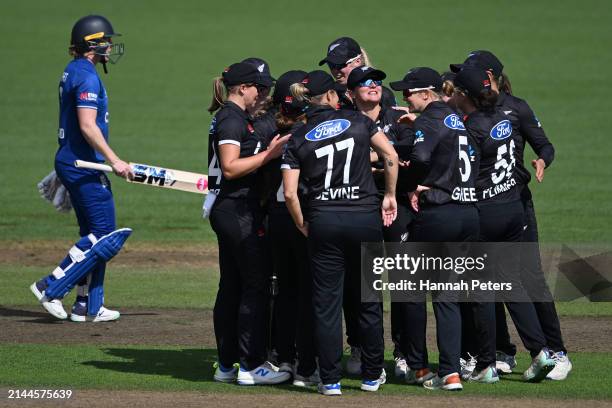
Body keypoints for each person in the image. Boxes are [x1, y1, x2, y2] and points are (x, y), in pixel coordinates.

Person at [451, 50, 569, 380]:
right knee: (511, 283)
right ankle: (537, 351)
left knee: (489, 287)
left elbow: (461, 174)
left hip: (491, 212)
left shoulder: (475, 125)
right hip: (511, 209)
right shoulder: (496, 118)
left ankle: (490, 362)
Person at [282, 70, 398, 395]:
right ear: (333, 97)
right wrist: (388, 195)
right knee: (369, 300)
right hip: (364, 219)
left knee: (326, 304)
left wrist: (301, 221)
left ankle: (330, 380)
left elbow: (290, 193)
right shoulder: (360, 122)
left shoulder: (300, 136)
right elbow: (390, 155)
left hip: (324, 222)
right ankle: (372, 375)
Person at [29, 15, 133, 323]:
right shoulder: (87, 77)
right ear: (94, 43)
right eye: (107, 41)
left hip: (73, 160)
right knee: (104, 234)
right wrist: (114, 160)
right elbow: (88, 126)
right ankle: (50, 287)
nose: (111, 47)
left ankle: (88, 304)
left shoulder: (74, 70)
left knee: (93, 234)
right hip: (82, 164)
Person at [390, 67, 479, 391]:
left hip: (439, 215)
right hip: (468, 215)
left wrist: (417, 184)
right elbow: (472, 157)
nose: (404, 98)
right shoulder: (456, 119)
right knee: (447, 296)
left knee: (410, 290)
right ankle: (451, 373)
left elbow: (422, 157)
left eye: (409, 93)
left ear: (427, 93)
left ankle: (418, 368)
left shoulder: (429, 119)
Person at [206, 62, 290, 385]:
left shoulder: (232, 117)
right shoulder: (230, 118)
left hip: (228, 210)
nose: (265, 95)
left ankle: (227, 365)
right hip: (237, 210)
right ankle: (251, 365)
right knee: (252, 286)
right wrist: (268, 156)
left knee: (231, 286)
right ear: (243, 88)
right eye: (261, 88)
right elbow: (229, 167)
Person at [318, 36, 396, 374]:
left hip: (387, 201)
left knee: (382, 282)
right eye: (332, 67)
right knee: (355, 283)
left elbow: (395, 150)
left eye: (341, 66)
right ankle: (359, 349)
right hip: (352, 202)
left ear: (357, 60)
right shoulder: (339, 104)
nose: (336, 72)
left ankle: (403, 354)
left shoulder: (382, 96)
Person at [346, 66, 416, 378]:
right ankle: (360, 346)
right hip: (359, 206)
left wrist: (371, 159)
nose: (374, 86)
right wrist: (386, 159)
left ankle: (403, 352)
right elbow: (392, 158)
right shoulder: (344, 120)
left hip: (396, 204)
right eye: (365, 82)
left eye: (377, 81)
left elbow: (408, 155)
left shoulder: (397, 117)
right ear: (351, 92)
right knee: (362, 284)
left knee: (403, 281)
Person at [262, 70, 319, 386]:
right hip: (304, 219)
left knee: (285, 291)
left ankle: (284, 357)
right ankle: (307, 364)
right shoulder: (311, 133)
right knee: (311, 292)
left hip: (277, 219)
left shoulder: (269, 129)